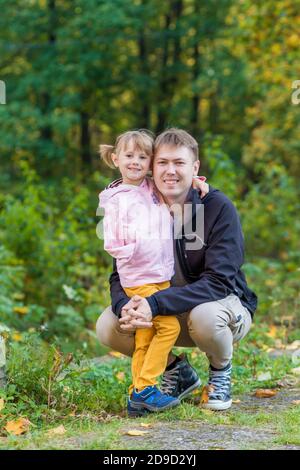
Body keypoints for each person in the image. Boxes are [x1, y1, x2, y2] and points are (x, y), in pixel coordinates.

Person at [97, 128, 257, 413]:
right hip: (163, 309)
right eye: (163, 163)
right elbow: (120, 272)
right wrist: (127, 306)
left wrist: (153, 304)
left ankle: (220, 371)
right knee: (110, 325)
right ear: (151, 168)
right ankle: (176, 372)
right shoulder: (140, 204)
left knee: (206, 316)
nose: (170, 171)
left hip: (219, 308)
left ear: (195, 167)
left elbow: (219, 282)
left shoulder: (216, 206)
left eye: (179, 163)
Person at [98, 129, 208, 416]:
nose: (135, 162)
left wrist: (195, 181)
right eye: (129, 156)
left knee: (146, 336)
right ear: (115, 158)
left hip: (159, 275)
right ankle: (147, 386)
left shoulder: (149, 187)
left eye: (143, 157)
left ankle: (137, 396)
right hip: (138, 276)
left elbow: (175, 184)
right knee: (168, 327)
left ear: (150, 163)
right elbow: (111, 241)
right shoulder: (116, 198)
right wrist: (133, 251)